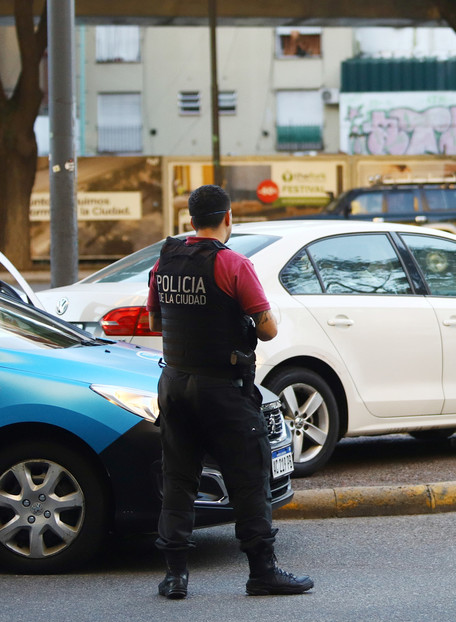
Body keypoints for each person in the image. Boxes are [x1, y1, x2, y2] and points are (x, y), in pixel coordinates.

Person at [148, 185, 313, 599]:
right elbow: (268, 328)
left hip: (175, 384)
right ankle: (262, 572)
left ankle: (174, 576)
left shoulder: (164, 261)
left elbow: (156, 322)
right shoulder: (234, 264)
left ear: (190, 221)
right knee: (247, 478)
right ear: (228, 218)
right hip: (222, 387)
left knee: (179, 478)